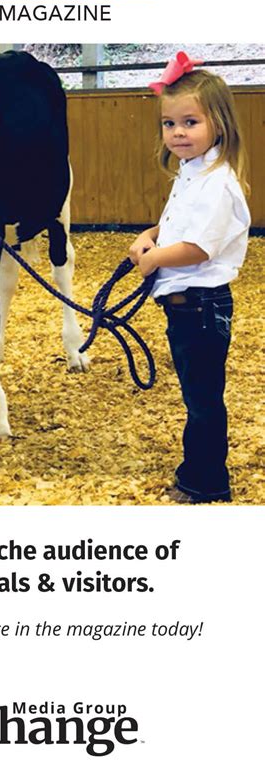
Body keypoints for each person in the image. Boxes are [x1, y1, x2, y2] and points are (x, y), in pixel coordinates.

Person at [129, 52, 250, 503]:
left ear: (217, 123)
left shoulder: (218, 183)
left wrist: (155, 258)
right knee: (196, 397)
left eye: (190, 122)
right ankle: (197, 471)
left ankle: (206, 482)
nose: (178, 133)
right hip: (187, 308)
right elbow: (178, 222)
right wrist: (151, 234)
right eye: (169, 124)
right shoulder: (193, 172)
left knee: (203, 403)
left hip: (202, 307)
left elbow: (199, 248)